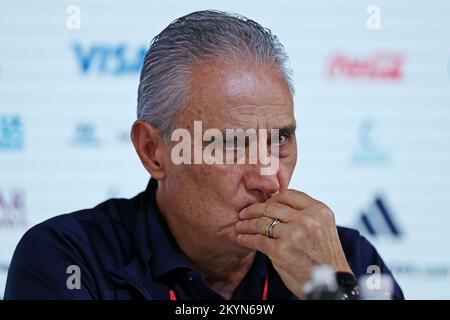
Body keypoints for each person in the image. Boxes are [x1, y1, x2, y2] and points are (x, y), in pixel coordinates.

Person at [4, 10, 403, 300]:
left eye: (280, 139)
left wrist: (333, 293)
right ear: (153, 151)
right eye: (231, 143)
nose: (269, 178)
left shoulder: (344, 258)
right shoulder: (70, 260)